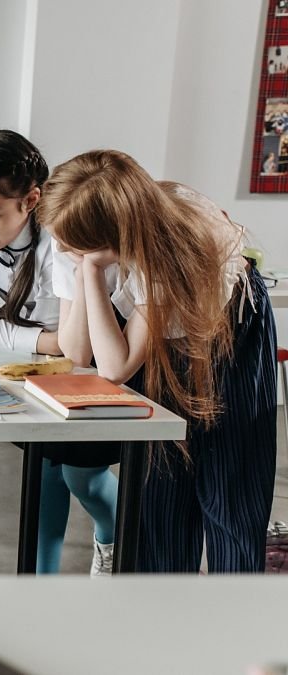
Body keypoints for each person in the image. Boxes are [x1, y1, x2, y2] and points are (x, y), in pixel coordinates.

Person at [39, 149, 277, 573]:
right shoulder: (75, 233)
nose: (59, 247)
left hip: (229, 330)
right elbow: (77, 353)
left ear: (113, 238)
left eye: (72, 244)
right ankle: (160, 611)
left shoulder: (169, 249)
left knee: (229, 490)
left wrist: (91, 272)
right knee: (160, 488)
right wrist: (85, 269)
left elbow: (115, 368)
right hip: (157, 337)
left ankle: (238, 615)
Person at [0, 129, 119, 575]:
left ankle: (115, 538)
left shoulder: (63, 235)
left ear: (30, 200)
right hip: (32, 374)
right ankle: (40, 585)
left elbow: (78, 347)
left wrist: (46, 340)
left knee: (82, 477)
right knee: (44, 475)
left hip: (98, 365)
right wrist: (46, 340)